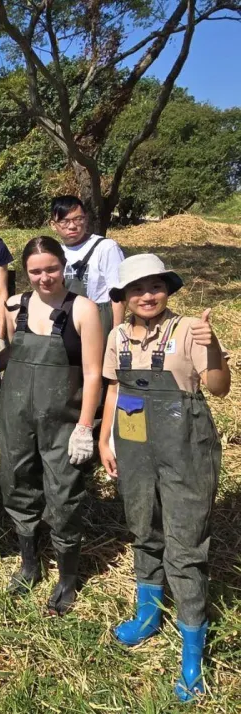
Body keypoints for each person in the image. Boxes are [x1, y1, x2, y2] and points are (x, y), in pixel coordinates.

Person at [98, 254, 229, 702]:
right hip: (133, 443)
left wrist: (210, 347)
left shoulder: (189, 328)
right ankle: (148, 615)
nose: (146, 296)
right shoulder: (117, 334)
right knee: (143, 528)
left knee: (186, 544)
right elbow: (115, 387)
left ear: (166, 289)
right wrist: (104, 439)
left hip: (186, 449)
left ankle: (192, 650)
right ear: (125, 298)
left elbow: (218, 387)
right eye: (136, 290)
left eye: (154, 286)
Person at [0, 236, 104, 616]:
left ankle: (67, 578)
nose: (45, 278)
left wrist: (84, 426)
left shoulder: (83, 310)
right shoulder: (15, 308)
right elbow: (12, 355)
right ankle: (29, 563)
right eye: (35, 271)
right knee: (17, 484)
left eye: (51, 269)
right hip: (17, 417)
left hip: (63, 422)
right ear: (26, 274)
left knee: (63, 495)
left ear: (64, 266)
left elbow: (93, 374)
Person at [49, 195, 126, 339]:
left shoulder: (105, 247)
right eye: (64, 221)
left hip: (98, 320)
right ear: (53, 225)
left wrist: (116, 334)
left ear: (86, 218)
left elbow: (118, 295)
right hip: (64, 320)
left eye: (78, 219)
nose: (72, 226)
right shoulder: (55, 251)